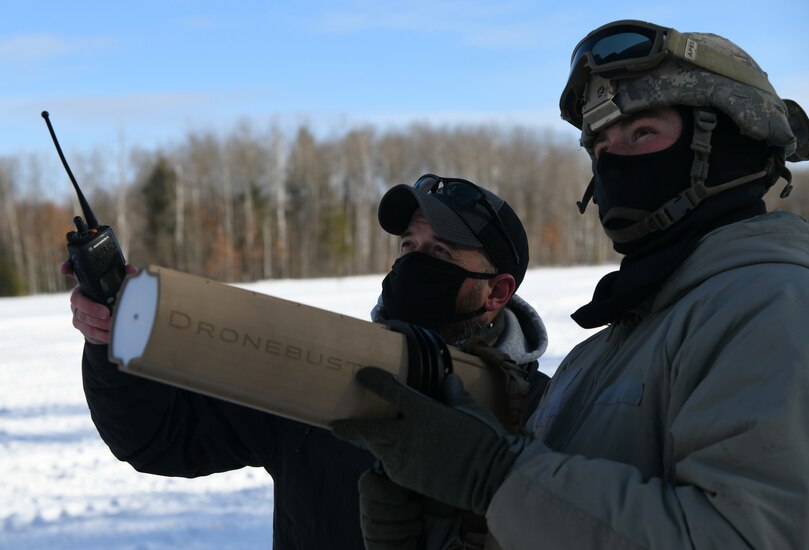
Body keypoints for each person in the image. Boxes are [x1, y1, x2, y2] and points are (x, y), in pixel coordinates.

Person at [331, 20, 809, 549]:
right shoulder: (602, 352)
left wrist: (492, 476)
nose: (615, 163)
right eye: (601, 147)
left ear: (730, 140)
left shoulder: (776, 305)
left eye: (642, 133)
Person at [63, 174, 548, 550]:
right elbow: (161, 438)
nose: (412, 263)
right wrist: (109, 340)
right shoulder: (324, 373)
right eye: (408, 247)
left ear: (497, 291)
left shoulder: (547, 413)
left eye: (440, 251)